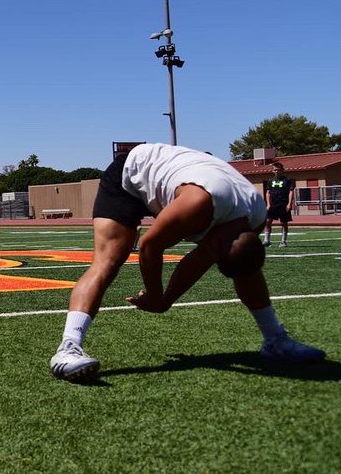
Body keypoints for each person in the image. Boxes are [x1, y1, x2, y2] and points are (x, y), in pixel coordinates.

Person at [49, 143, 325, 383]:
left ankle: (276, 339)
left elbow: (201, 259)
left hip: (183, 183)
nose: (208, 255)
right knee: (108, 260)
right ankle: (67, 348)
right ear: (217, 244)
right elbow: (149, 246)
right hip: (132, 173)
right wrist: (156, 295)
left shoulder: (254, 215)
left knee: (247, 265)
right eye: (213, 252)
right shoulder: (197, 203)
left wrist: (167, 299)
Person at [263, 161, 294, 248]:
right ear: (273, 171)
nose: (277, 171)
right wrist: (268, 204)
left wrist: (289, 203)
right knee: (268, 222)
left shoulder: (287, 180)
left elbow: (291, 192)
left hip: (283, 204)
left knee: (283, 222)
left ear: (282, 170)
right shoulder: (270, 180)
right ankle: (266, 240)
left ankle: (283, 241)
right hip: (273, 204)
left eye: (278, 170)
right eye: (275, 170)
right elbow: (268, 192)